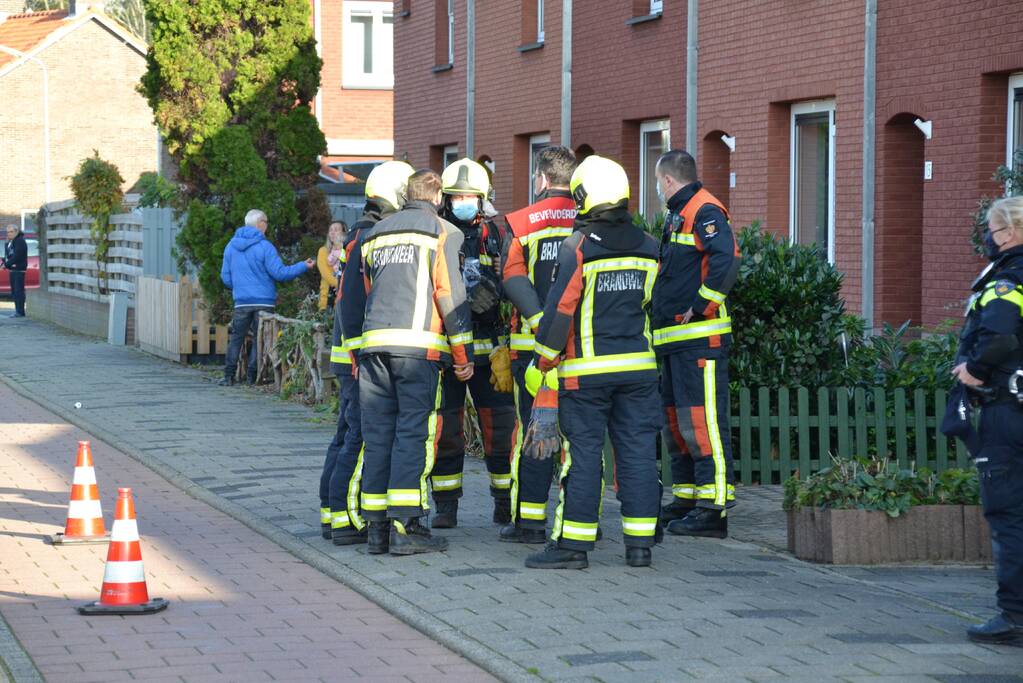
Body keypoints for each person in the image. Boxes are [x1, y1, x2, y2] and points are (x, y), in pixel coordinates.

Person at [524, 155, 662, 570]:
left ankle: (573, 547)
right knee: (637, 452)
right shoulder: (650, 247)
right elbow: (654, 307)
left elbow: (560, 310)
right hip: (639, 370)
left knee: (583, 455)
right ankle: (639, 547)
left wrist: (542, 362)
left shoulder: (578, 247)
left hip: (587, 374)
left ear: (583, 195)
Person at [341, 169, 473, 556]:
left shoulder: (374, 234)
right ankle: (407, 525)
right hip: (418, 351)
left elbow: (360, 294)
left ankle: (378, 528)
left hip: (373, 349)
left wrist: (356, 354)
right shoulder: (441, 231)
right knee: (413, 434)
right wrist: (462, 357)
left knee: (379, 434)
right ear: (437, 198)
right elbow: (450, 295)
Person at [319, 162, 414, 545]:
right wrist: (361, 358)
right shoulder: (371, 238)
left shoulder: (359, 235)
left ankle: (332, 515)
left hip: (349, 355)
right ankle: (343, 520)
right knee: (359, 437)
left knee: (346, 435)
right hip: (358, 358)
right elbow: (354, 303)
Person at [652, 150, 740, 539]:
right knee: (678, 422)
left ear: (668, 180)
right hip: (674, 341)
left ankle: (714, 507)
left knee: (703, 422)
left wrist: (700, 307)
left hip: (699, 341)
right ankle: (687, 498)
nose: (657, 188)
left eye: (658, 181)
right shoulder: (679, 211)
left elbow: (727, 260)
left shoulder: (705, 210)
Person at [429, 158, 515, 529]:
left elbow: (515, 280)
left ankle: (504, 500)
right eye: (456, 195)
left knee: (501, 429)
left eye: (470, 196)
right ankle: (446, 505)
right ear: (446, 199)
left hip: (491, 349)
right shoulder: (435, 233)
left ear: (482, 200)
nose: (463, 201)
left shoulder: (495, 235)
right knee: (447, 430)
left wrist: (497, 291)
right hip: (447, 353)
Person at [953, 196, 1023, 645]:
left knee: (1009, 514)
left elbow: (998, 337)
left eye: (993, 232)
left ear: (1012, 233)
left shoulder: (1008, 279)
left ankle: (1013, 616)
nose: (989, 239)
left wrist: (972, 371)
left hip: (1007, 412)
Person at [500, 146, 578, 543]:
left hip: (530, 349)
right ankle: (580, 523)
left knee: (531, 430)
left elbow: (511, 277)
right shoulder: (588, 219)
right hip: (580, 349)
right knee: (579, 438)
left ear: (543, 179)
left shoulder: (521, 222)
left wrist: (537, 322)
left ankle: (529, 523)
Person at [219, 209, 314, 386]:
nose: (267, 226)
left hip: (241, 302)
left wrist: (241, 288)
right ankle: (252, 378)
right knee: (259, 338)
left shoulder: (231, 246)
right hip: (264, 301)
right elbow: (280, 274)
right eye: (266, 222)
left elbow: (225, 277)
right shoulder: (265, 247)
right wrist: (303, 266)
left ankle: (228, 376)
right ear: (260, 224)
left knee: (236, 338)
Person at [317, 221, 347, 311]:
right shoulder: (323, 251)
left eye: (336, 230)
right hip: (326, 299)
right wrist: (339, 284)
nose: (333, 232)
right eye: (331, 230)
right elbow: (325, 274)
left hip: (343, 298)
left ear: (343, 233)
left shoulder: (347, 251)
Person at [2, 224, 28, 318]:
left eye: (11, 232)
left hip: (19, 270)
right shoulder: (11, 241)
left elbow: (17, 256)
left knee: (18, 291)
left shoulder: (20, 241)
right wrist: (4, 262)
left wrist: (6, 264)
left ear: (16, 231)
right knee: (14, 291)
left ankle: (20, 312)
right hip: (13, 270)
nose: (9, 234)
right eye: (8, 232)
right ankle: (18, 311)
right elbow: (9, 256)